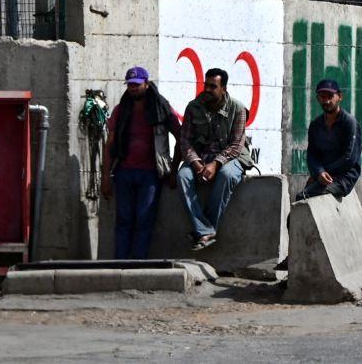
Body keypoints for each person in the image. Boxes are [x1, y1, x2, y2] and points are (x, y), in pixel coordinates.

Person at [102, 65, 179, 258]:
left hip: (151, 173)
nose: (133, 88)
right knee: (124, 220)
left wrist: (174, 169)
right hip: (124, 172)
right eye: (130, 85)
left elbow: (181, 136)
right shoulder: (121, 110)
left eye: (137, 84)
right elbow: (109, 144)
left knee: (144, 220)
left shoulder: (161, 107)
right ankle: (119, 263)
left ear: (146, 84)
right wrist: (105, 177)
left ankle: (138, 264)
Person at [177, 67, 252, 250]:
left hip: (232, 157)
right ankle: (206, 230)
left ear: (223, 88)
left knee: (227, 175)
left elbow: (236, 145)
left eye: (213, 86)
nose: (208, 90)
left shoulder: (238, 108)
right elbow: (184, 141)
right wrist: (195, 162)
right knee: (183, 177)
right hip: (201, 157)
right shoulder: (194, 107)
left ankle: (203, 230)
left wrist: (215, 164)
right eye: (206, 85)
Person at [300, 77, 362, 201]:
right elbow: (312, 154)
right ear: (318, 99)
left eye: (330, 96)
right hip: (324, 177)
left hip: (344, 178)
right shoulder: (315, 125)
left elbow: (349, 158)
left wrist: (322, 173)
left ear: (339, 97)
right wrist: (319, 172)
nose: (327, 101)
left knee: (306, 196)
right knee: (301, 199)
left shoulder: (349, 123)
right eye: (323, 97)